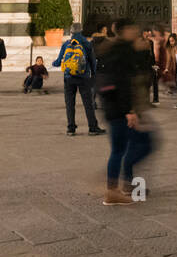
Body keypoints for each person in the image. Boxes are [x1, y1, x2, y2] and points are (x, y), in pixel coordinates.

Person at [99, 20, 154, 205]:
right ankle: (115, 188)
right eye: (133, 29)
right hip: (121, 110)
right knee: (140, 144)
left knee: (124, 147)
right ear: (124, 31)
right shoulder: (120, 51)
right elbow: (121, 83)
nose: (136, 31)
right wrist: (129, 110)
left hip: (116, 108)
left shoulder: (117, 48)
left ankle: (123, 183)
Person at [52, 23, 105, 137]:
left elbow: (58, 61)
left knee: (69, 103)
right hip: (83, 77)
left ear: (71, 32)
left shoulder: (66, 43)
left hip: (68, 77)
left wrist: (54, 63)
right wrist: (93, 74)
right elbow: (92, 61)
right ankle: (92, 128)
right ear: (81, 31)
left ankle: (71, 128)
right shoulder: (86, 43)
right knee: (88, 103)